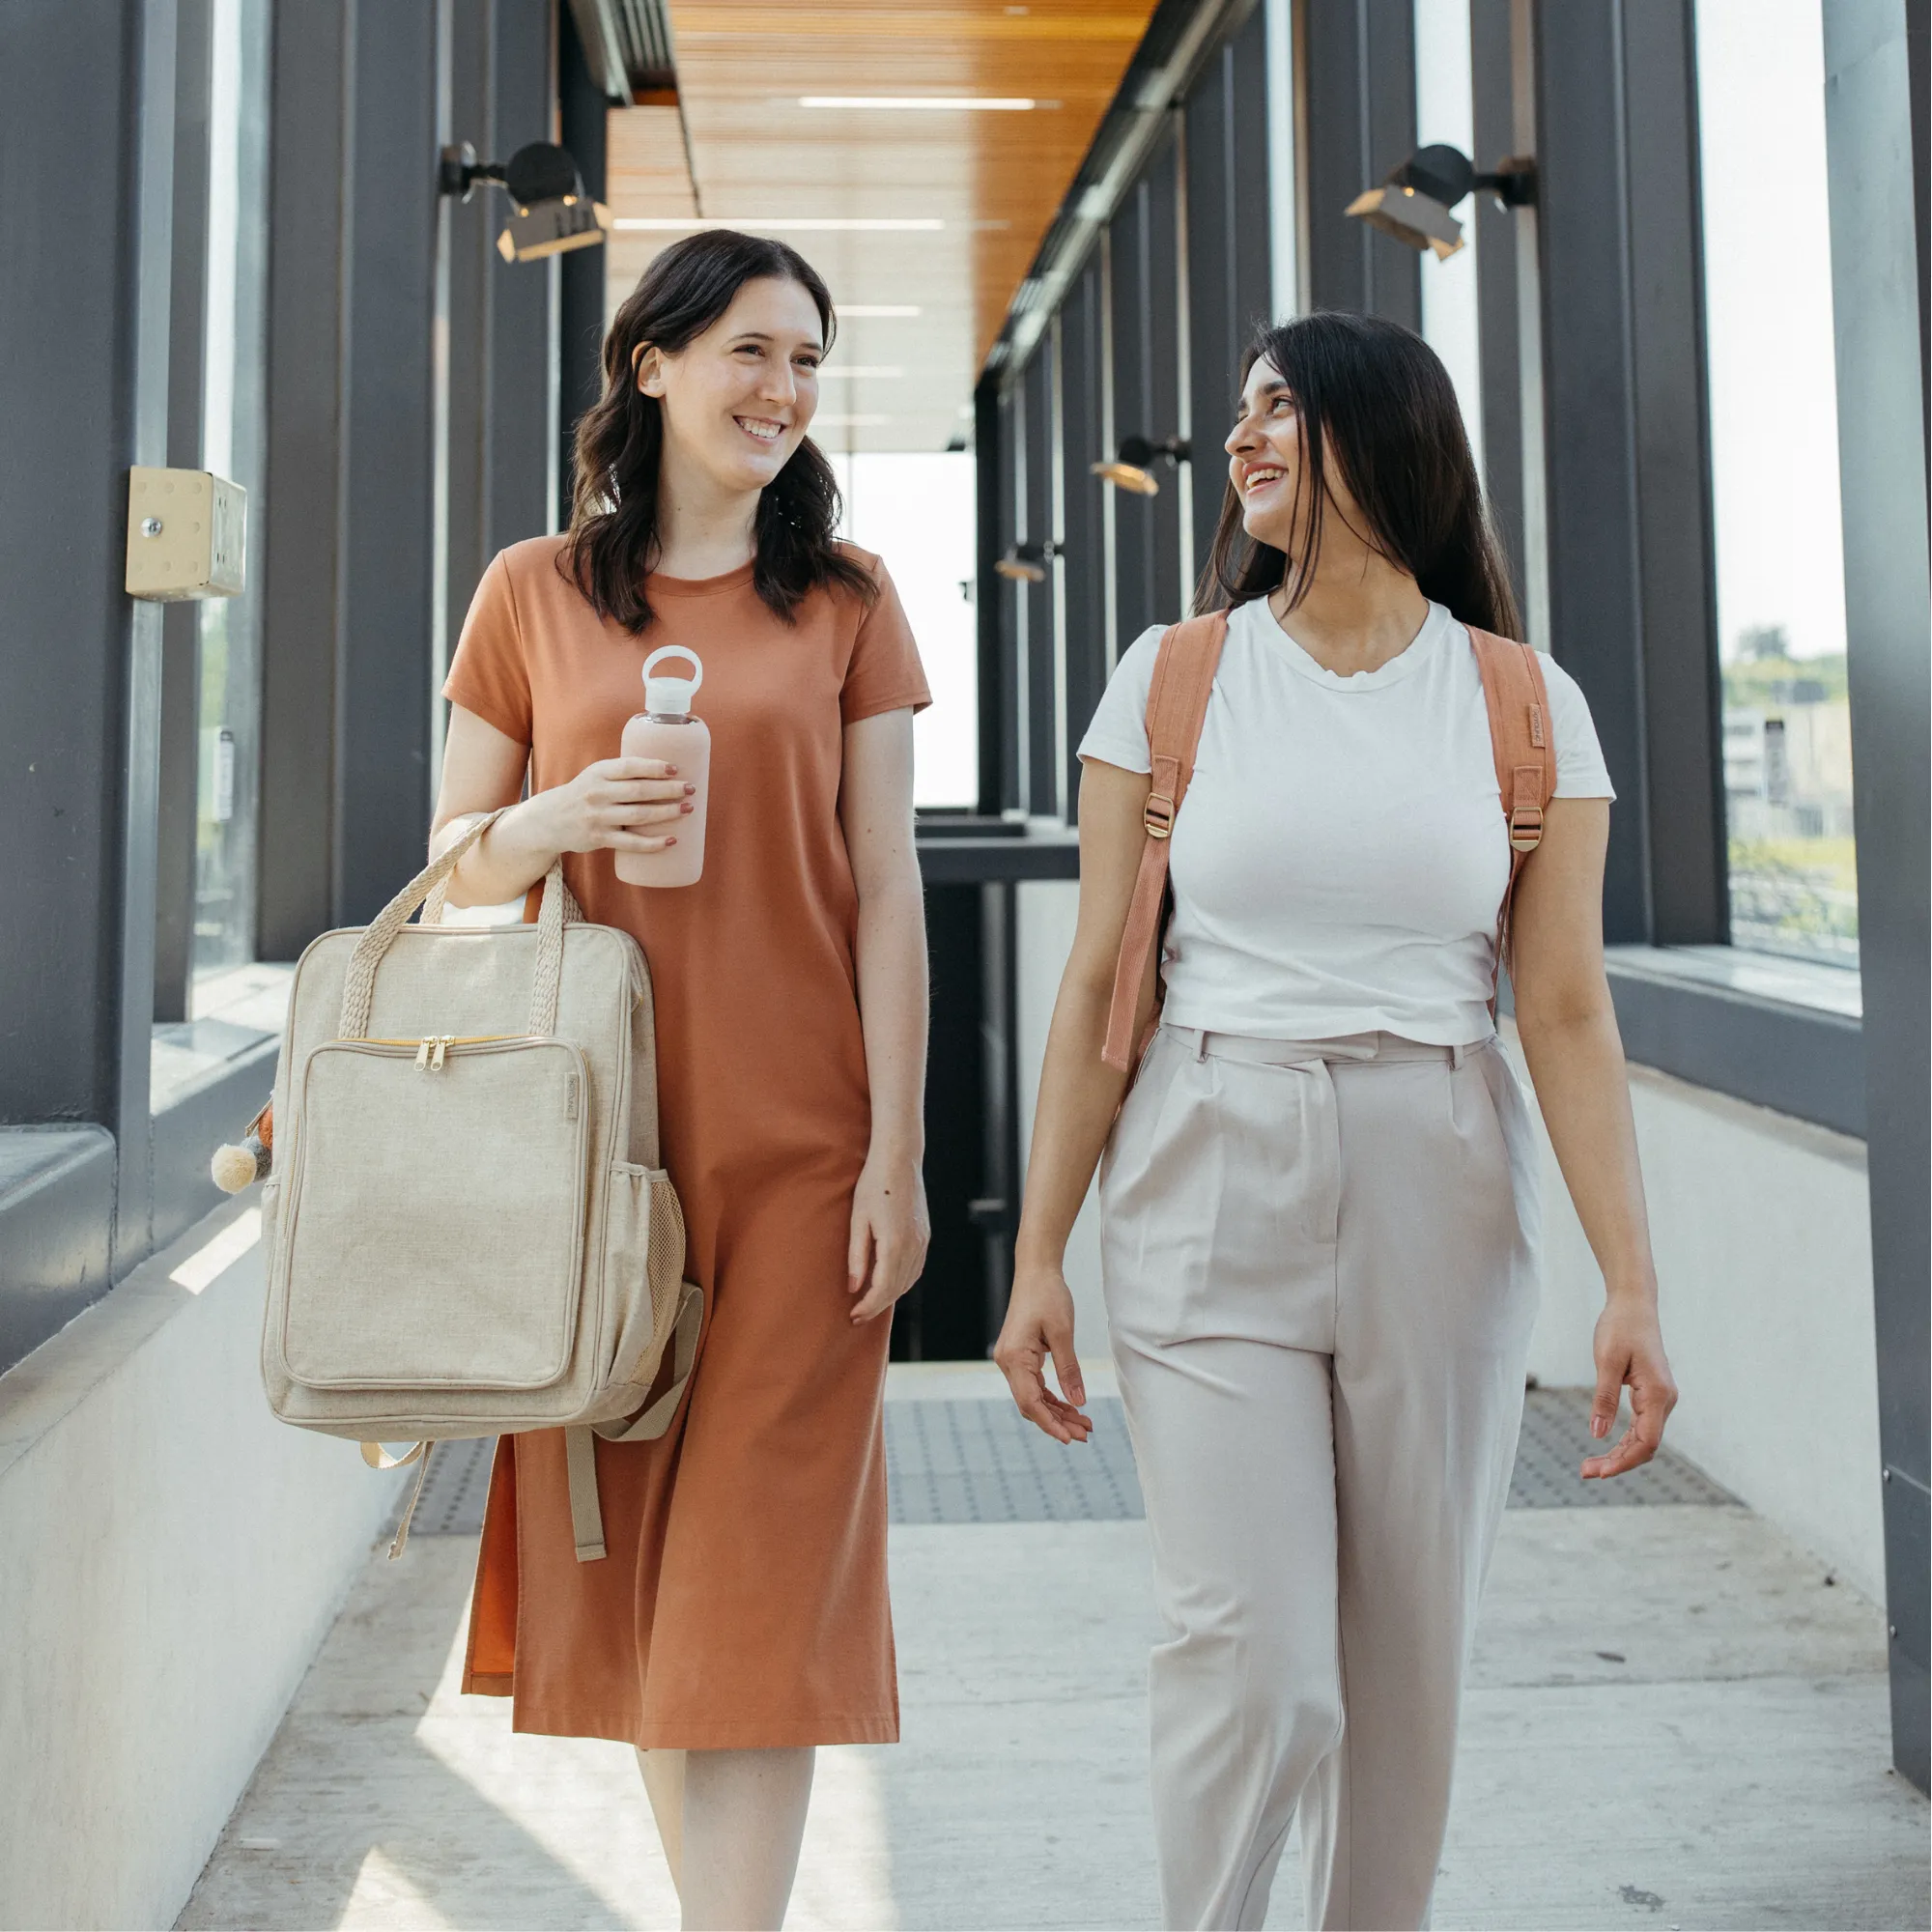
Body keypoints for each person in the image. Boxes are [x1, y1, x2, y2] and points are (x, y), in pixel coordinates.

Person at [994, 310, 1679, 1931]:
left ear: (1385, 434)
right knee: (1263, 1663)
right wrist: (1035, 1257)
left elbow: (1566, 1009)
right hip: (1205, 1154)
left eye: (1282, 406)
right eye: (1240, 408)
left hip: (1436, 1165)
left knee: (1407, 1660)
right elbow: (1101, 974)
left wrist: (1629, 1282)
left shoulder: (1521, 703)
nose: (1244, 438)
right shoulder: (1171, 680)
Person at [430, 229, 932, 1931]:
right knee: (644, 1589)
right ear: (650, 365)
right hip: (594, 1161)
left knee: (756, 1594)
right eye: (750, 352)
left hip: (806, 1154)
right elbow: (449, 869)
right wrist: (557, 820)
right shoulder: (529, 594)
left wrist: (900, 1158)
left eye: (808, 360)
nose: (784, 390)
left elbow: (890, 897)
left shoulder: (850, 603)